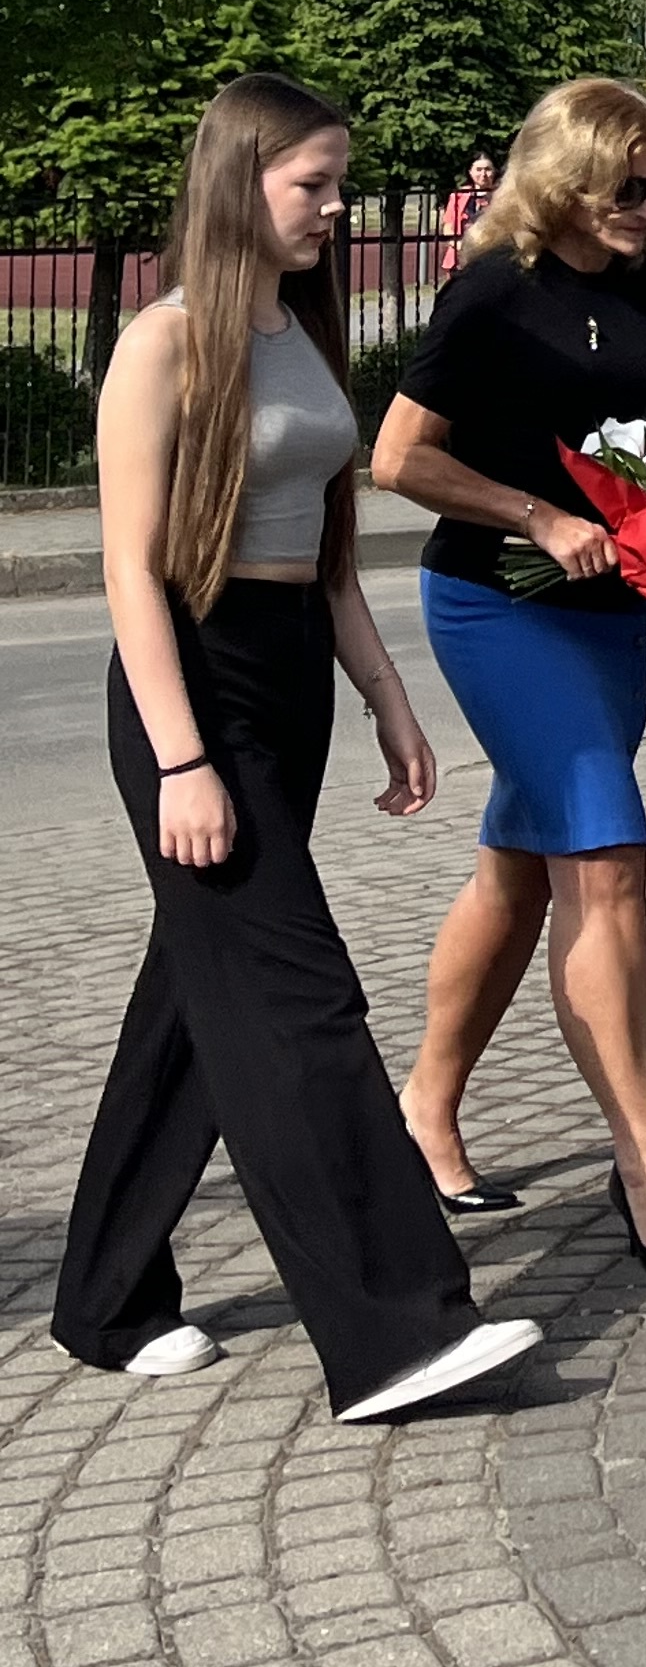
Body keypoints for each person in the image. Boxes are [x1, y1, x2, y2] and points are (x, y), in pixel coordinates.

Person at [55, 71, 542, 1421]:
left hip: (290, 679)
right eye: (312, 184)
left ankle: (102, 1298)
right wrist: (182, 761)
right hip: (194, 685)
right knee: (300, 998)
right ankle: (397, 1334)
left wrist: (386, 697)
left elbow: (328, 556)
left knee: (199, 997)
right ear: (239, 180)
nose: (335, 207)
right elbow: (130, 572)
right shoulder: (162, 343)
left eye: (339, 183)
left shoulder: (302, 324)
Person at [377, 78, 646, 1282]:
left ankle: (424, 1107)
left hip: (612, 615)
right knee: (607, 856)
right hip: (498, 605)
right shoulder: (492, 291)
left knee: (523, 869)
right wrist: (535, 514)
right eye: (630, 186)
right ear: (569, 176)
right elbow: (398, 458)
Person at [438, 154, 496, 276]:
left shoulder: (501, 196)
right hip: (459, 258)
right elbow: (448, 227)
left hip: (490, 256)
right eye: (478, 170)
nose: (483, 174)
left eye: (487, 169)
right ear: (470, 172)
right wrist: (459, 246)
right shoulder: (459, 196)